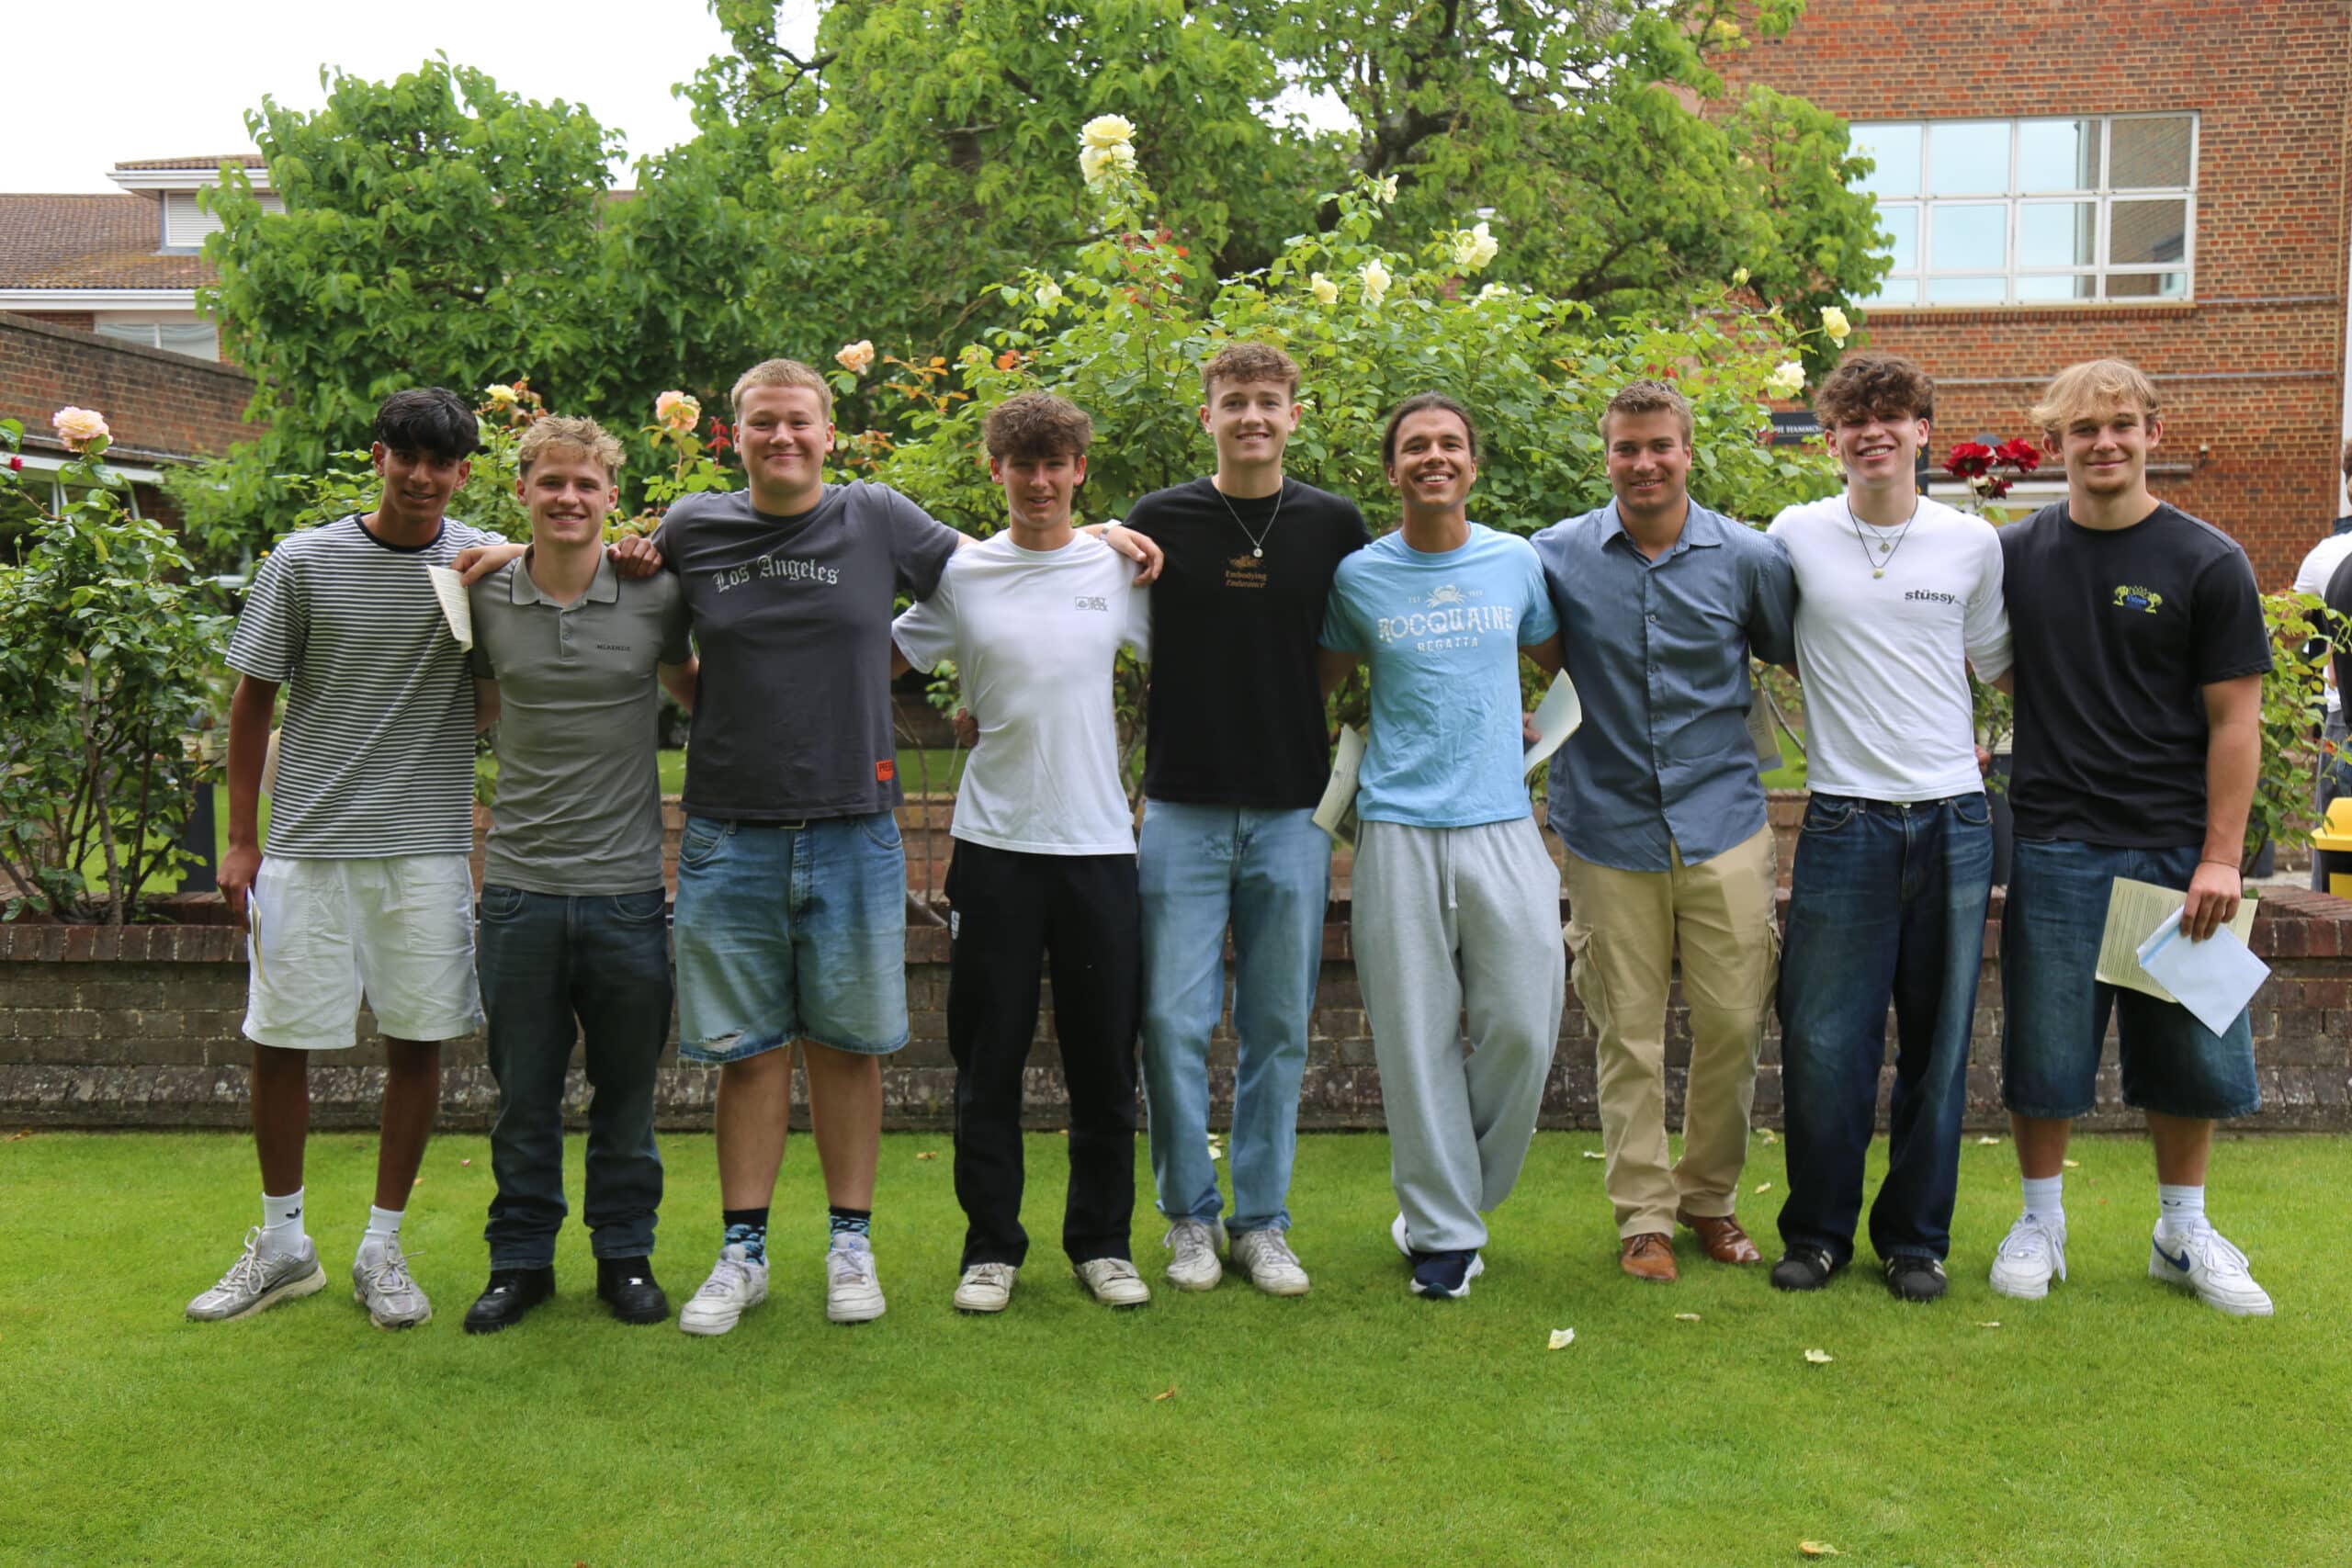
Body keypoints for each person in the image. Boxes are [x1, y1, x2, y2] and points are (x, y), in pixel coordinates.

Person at [570, 359, 1159, 1336]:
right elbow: (601, 571)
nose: (782, 437)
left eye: (799, 420)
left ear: (828, 432)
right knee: (752, 1053)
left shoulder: (878, 516)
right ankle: (749, 1253)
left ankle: (859, 1246)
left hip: (860, 825)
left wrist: (1092, 534)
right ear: (735, 435)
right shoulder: (693, 526)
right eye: (763, 422)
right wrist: (505, 556)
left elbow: (1005, 562)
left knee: (856, 1048)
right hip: (733, 829)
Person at [188, 388, 500, 1329]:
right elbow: (252, 701)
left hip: (427, 850)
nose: (421, 477)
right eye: (406, 457)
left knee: (418, 1043)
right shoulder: (303, 561)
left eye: (440, 463)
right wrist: (241, 838)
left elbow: (553, 598)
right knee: (280, 1043)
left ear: (463, 472)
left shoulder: (481, 562)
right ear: (379, 457)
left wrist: (513, 558)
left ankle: (380, 1248)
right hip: (308, 848)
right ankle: (284, 1245)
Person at [1990, 358, 2274, 1316]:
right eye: (2083, 428)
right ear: (2056, 445)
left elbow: (2237, 720)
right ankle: (2041, 1223)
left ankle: (2181, 1232)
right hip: (2056, 840)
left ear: (2154, 433)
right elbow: (1998, 667)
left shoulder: (2208, 561)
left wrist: (2221, 855)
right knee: (2044, 1050)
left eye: (2120, 425)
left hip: (2175, 849)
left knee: (2189, 1053)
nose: (2103, 442)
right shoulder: (2015, 554)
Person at [890, 392, 1154, 1313]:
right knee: (988, 1056)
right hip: (993, 848)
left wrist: (1121, 534)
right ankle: (991, 1248)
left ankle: (1103, 1243)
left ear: (1080, 470)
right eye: (1022, 465)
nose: (1039, 482)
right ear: (994, 469)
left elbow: (1200, 663)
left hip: (1099, 848)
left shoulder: (1118, 568)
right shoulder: (962, 576)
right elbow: (873, 662)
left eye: (1055, 465)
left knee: (1103, 1057)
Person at [1530, 379, 1796, 1284]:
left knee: (1732, 1023)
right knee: (1626, 1032)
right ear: (1606, 455)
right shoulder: (1554, 556)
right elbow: (1512, 640)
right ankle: (1643, 1216)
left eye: (1659, 447)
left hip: (1724, 824)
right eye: (1626, 448)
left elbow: (1794, 649)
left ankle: (1709, 1199)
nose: (1643, 464)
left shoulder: (1748, 558)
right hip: (1607, 828)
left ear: (1687, 452)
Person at [1762, 354, 2011, 1303]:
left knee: (1938, 1045)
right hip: (1843, 819)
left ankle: (1914, 1240)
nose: (1872, 432)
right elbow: (1776, 641)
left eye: (1891, 416)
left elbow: (1998, 665)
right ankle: (1818, 1232)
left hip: (1952, 818)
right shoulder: (1793, 535)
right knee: (1825, 1041)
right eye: (1852, 420)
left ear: (1921, 432)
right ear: (1829, 440)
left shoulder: (1970, 542)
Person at [1120, 344, 1368, 1297]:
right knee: (1170, 1021)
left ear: (1295, 415)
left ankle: (1262, 1222)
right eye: (1234, 401)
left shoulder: (1332, 524)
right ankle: (1190, 1217)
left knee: (1277, 1025)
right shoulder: (1158, 518)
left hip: (1291, 811)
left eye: (1268, 401)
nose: (1252, 416)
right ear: (1208, 417)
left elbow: (1344, 644)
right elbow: (1091, 585)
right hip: (1181, 804)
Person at [1317, 392, 1565, 1300]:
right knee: (1414, 1039)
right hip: (1397, 829)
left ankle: (1457, 1195)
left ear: (1472, 464)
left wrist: (1538, 720)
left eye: (1450, 444)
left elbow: (1565, 665)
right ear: (1392, 470)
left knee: (1524, 1027)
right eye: (1415, 446)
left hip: (1503, 820)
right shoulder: (1359, 577)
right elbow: (1316, 686)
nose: (1434, 456)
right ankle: (1443, 1235)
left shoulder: (1515, 561)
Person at [458, 417, 697, 1333]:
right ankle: (519, 1263)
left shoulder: (656, 593)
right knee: (522, 1096)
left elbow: (700, 691)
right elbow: (469, 706)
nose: (568, 498)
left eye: (585, 484)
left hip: (627, 893)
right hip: (518, 891)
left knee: (627, 1097)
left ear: (610, 497)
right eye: (551, 482)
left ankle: (624, 1257)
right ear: (522, 491)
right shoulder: (481, 597)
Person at [2291, 448, 2352, 886]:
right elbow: (2301, 639)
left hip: (2339, 720)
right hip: (2341, 720)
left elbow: (2298, 639)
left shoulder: (2327, 557)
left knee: (2334, 865)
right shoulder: (2328, 557)